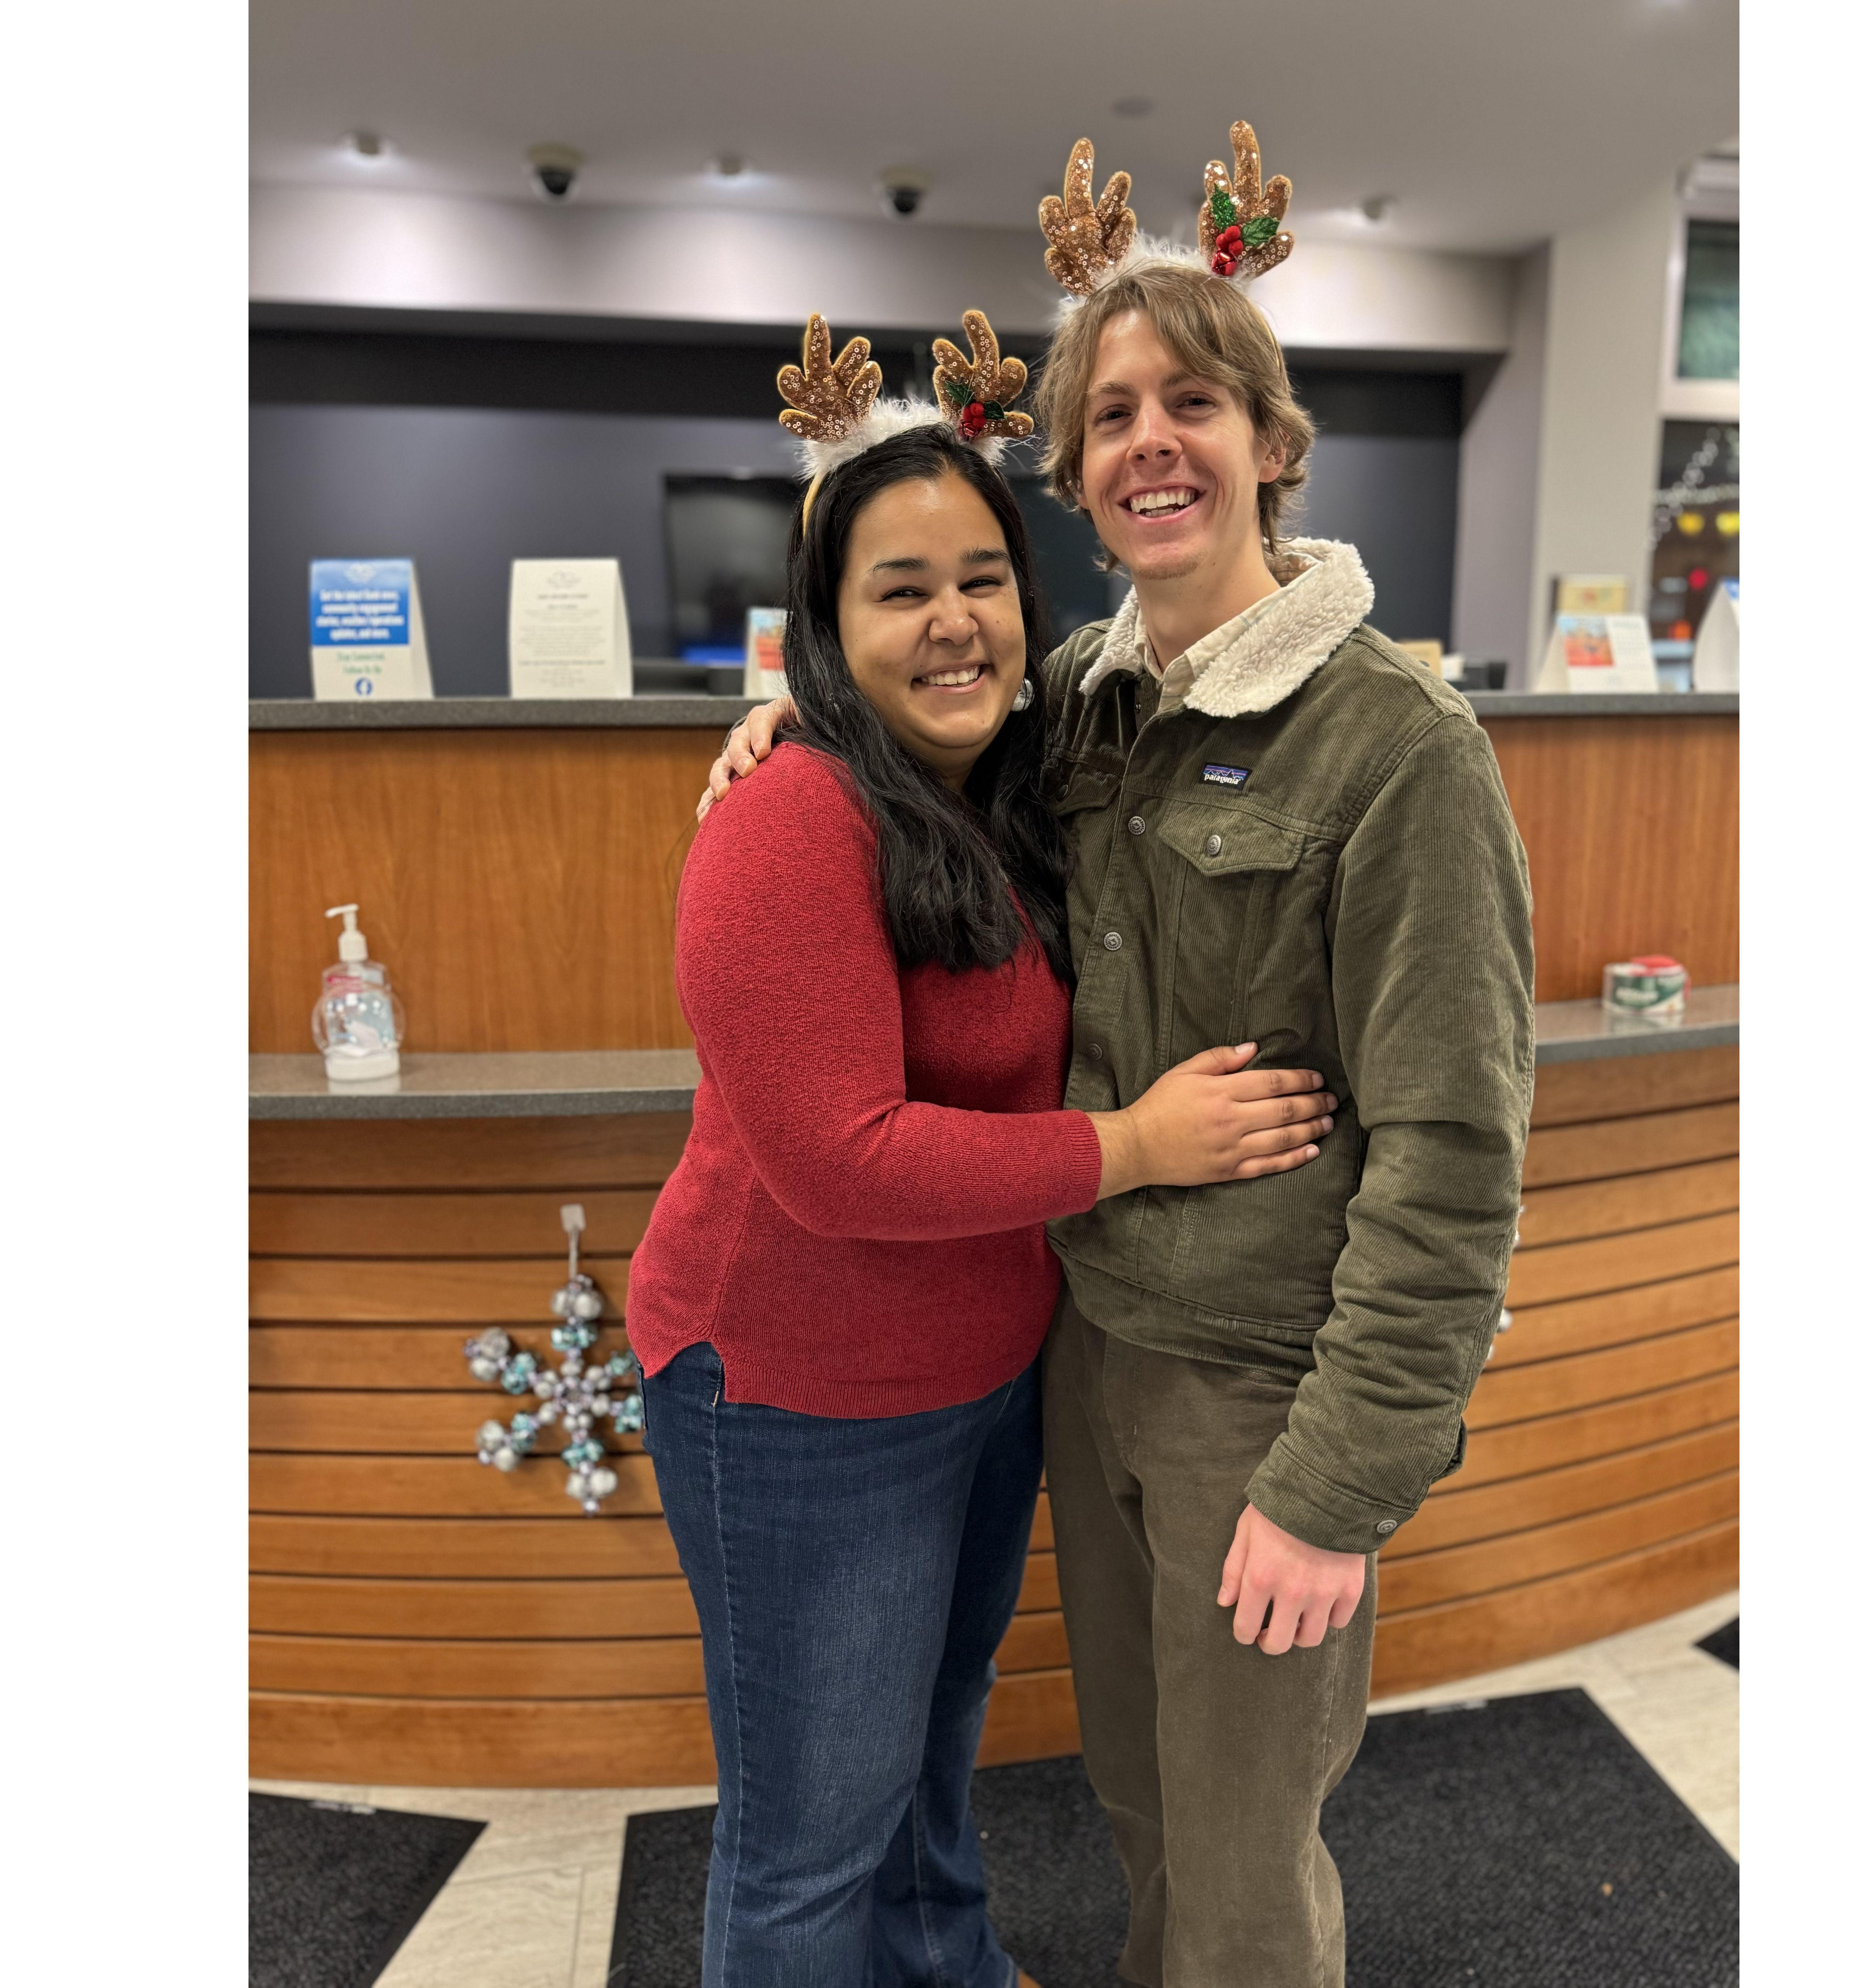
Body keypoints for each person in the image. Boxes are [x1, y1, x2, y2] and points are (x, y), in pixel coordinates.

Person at [701, 125, 1535, 1988]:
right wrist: (790, 715)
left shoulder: (1397, 746)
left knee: (1242, 1874)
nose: (1154, 441)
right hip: (1087, 1358)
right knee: (1142, 1809)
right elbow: (909, 705)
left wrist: (1341, 1483)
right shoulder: (1077, 702)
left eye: (1194, 403)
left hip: (1264, 1390)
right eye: (1112, 416)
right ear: (1074, 477)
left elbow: (1458, 1153)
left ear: (1271, 440)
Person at [627, 350, 1339, 1988]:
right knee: (809, 1843)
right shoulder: (789, 823)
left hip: (980, 1378)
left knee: (930, 1763)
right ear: (827, 628)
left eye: (981, 581)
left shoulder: (1016, 789)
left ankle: (951, 1966)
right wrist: (1137, 1149)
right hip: (797, 1399)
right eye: (899, 592)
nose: (952, 623)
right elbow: (839, 1161)